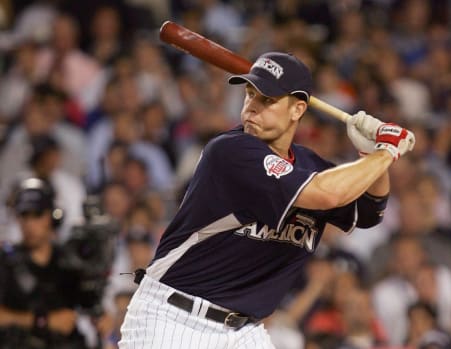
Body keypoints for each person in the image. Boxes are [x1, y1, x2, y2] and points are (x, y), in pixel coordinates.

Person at [118, 51, 415, 348]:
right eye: (250, 94)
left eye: (267, 100)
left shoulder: (310, 166)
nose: (251, 108)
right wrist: (385, 153)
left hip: (242, 330)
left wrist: (372, 159)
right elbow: (328, 193)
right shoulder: (231, 152)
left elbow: (369, 212)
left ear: (298, 110)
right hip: (174, 318)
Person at [0, 178, 89, 348]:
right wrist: (42, 321)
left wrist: (101, 319)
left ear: (52, 216)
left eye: (37, 215)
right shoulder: (5, 260)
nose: (30, 224)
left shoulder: (68, 261)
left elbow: (87, 305)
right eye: (24, 216)